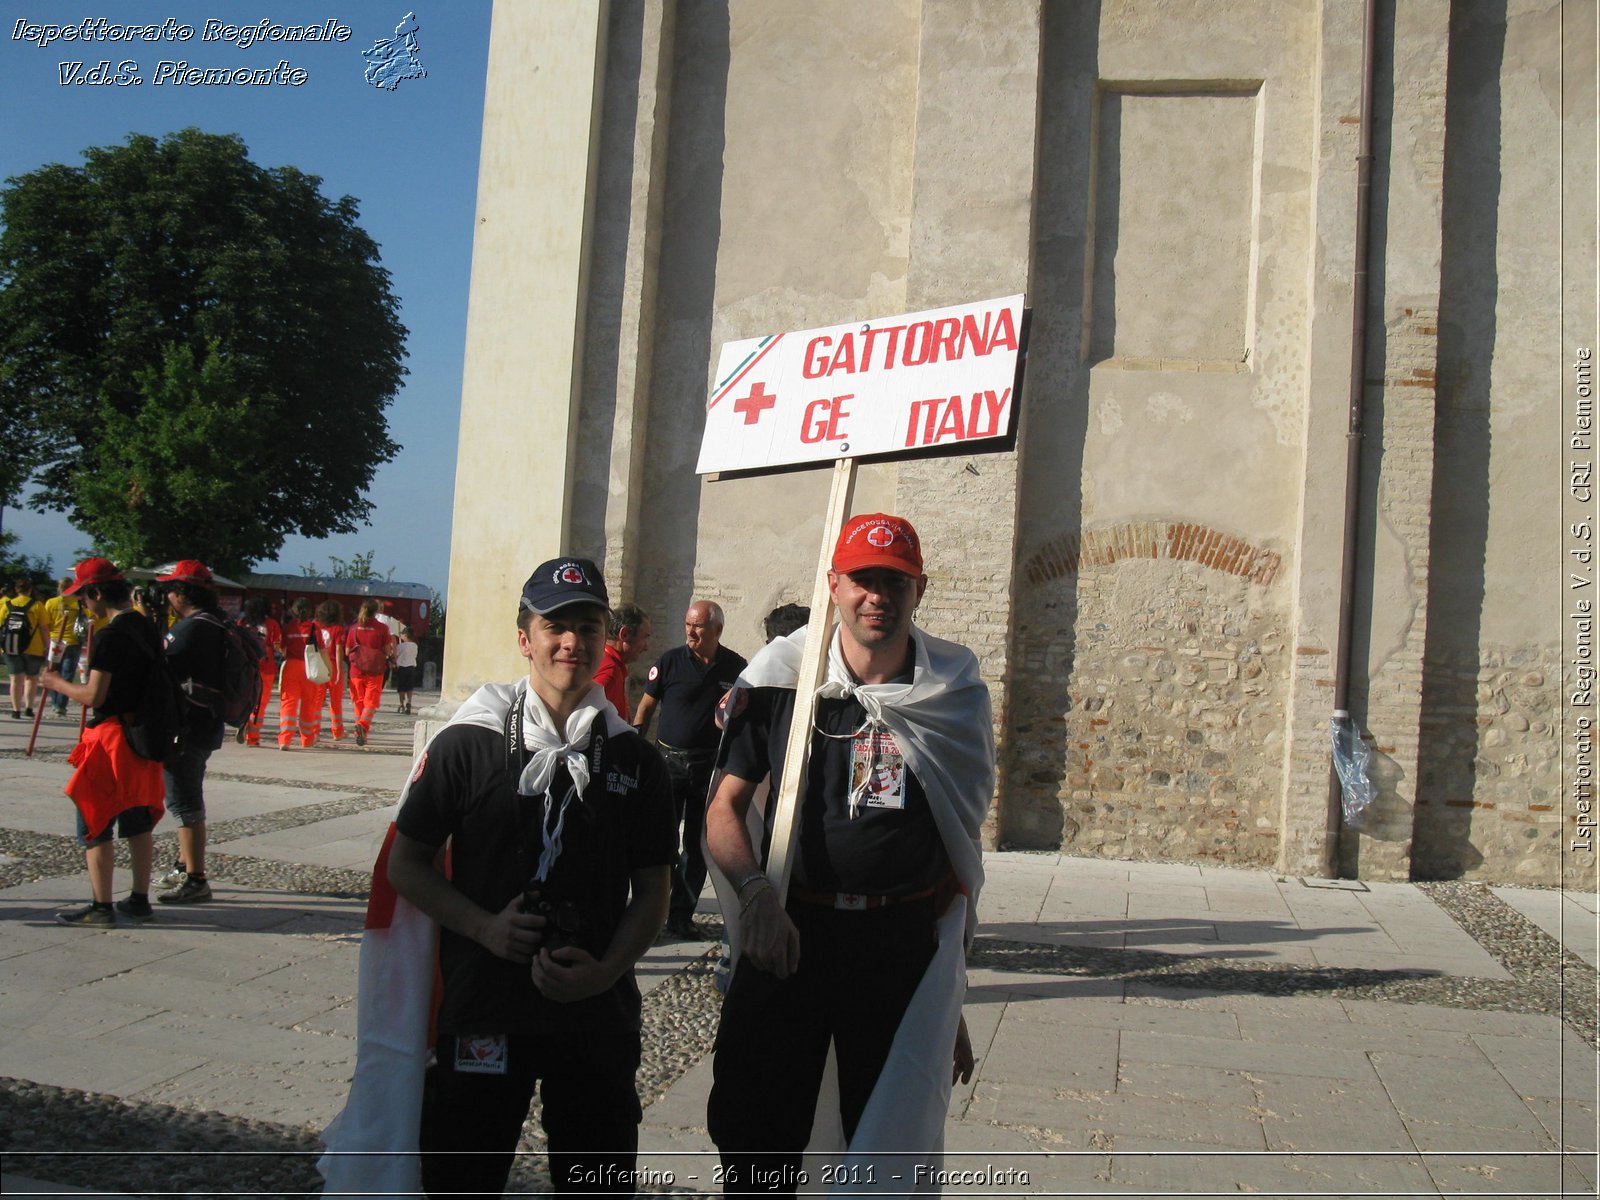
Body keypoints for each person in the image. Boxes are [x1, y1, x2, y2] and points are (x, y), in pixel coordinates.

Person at [704, 514, 995, 1192]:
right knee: (754, 1130)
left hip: (894, 945)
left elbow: (959, 845)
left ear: (918, 590)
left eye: (894, 582)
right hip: (789, 931)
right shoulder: (780, 682)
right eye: (863, 579)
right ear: (833, 585)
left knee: (889, 1139)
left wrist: (947, 999)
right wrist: (755, 896)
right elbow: (722, 809)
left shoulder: (949, 696)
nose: (878, 597)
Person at [381, 555, 676, 1196]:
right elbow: (406, 864)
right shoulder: (468, 744)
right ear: (525, 638)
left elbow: (655, 889)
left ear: (607, 639)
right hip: (485, 1003)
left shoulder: (634, 758)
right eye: (555, 625)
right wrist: (484, 927)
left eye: (588, 626)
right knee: (463, 1182)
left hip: (595, 1013)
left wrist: (608, 969)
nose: (572, 641)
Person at [38, 558, 168, 925]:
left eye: (83, 597)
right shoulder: (147, 627)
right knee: (138, 820)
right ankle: (140, 899)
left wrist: (55, 684)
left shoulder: (111, 635)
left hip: (111, 739)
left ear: (96, 593)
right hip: (142, 737)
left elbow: (95, 695)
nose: (83, 604)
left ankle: (100, 906)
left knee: (94, 822)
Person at [632, 600, 746, 940]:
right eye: (687, 624)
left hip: (708, 765)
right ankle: (649, 912)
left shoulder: (736, 667)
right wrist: (637, 748)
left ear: (717, 630)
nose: (690, 631)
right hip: (669, 764)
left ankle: (681, 916)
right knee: (662, 840)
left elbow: (743, 715)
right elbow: (646, 706)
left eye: (697, 626)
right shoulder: (669, 662)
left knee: (698, 845)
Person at [149, 561, 230, 905]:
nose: (166, 596)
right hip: (205, 722)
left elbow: (157, 665)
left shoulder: (190, 630)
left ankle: (196, 878)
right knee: (186, 794)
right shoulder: (217, 623)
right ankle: (185, 865)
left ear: (182, 592)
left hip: (186, 727)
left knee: (184, 801)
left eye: (169, 589)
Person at [345, 599, 393, 746]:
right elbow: (387, 650)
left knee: (358, 702)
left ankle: (360, 732)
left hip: (356, 671)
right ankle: (363, 725)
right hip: (375, 670)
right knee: (370, 702)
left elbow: (347, 651)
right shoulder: (382, 628)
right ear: (376, 611)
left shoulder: (353, 628)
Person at [592, 603, 651, 721]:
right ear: (624, 634)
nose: (646, 647)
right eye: (644, 637)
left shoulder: (605, 661)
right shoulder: (609, 671)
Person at [238, 596, 283, 747]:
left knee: (245, 698)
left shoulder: (242, 623)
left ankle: (242, 721)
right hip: (266, 667)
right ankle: (253, 736)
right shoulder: (271, 624)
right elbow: (277, 645)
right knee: (260, 703)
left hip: (245, 666)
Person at [301, 599, 345, 746]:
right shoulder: (338, 629)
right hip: (332, 662)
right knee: (335, 701)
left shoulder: (315, 626)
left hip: (319, 664)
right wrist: (339, 670)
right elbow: (339, 650)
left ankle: (315, 731)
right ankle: (337, 732)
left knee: (317, 700)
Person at [2, 577, 47, 719]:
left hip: (11, 647)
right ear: (30, 590)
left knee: (15, 679)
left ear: (16, 590)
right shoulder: (37, 606)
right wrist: (47, 646)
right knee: (31, 678)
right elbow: (44, 628)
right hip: (34, 648)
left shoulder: (7, 605)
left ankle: (16, 710)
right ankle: (29, 708)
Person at [43, 577, 87, 718]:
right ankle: (61, 705)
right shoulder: (77, 603)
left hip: (55, 641)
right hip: (73, 642)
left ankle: (55, 703)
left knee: (53, 672)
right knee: (66, 675)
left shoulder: (51, 603)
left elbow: (46, 622)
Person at [277, 598, 318, 750]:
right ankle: (307, 739)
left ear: (294, 610)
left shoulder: (288, 627)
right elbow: (320, 648)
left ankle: (284, 739)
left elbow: (282, 649)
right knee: (308, 702)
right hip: (309, 667)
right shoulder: (314, 627)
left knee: (288, 702)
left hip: (291, 666)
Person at [392, 627, 420, 714]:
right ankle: (409, 701)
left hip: (402, 668)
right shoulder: (415, 646)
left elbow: (395, 655)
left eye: (402, 635)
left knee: (401, 688)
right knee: (409, 687)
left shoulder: (400, 646)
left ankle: (401, 704)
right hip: (411, 667)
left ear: (405, 635)